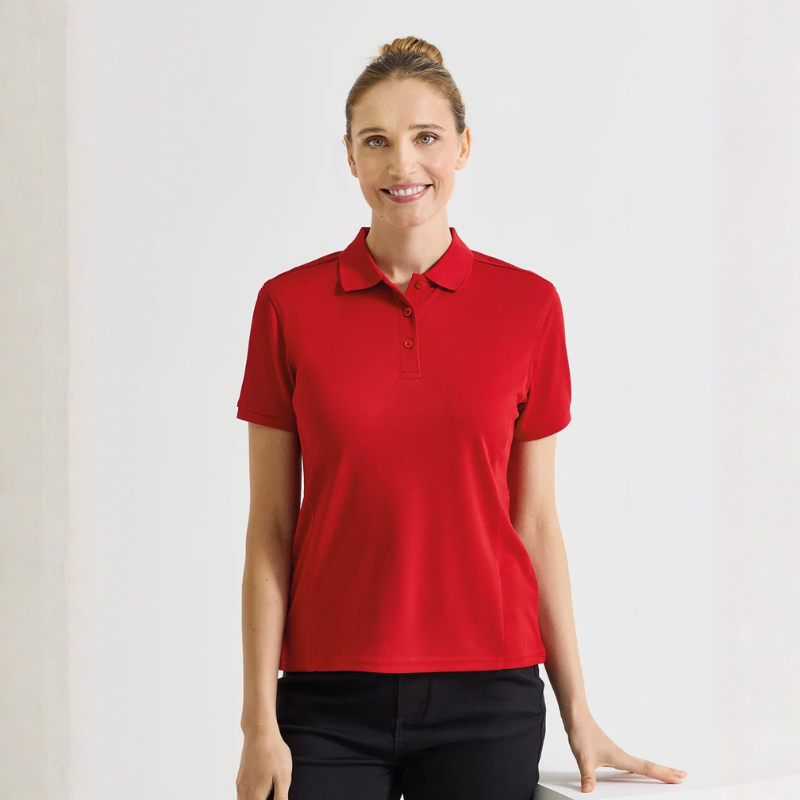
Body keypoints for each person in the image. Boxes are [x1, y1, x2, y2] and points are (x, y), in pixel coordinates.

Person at [234, 36, 688, 800]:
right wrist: (258, 725)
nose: (402, 164)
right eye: (376, 141)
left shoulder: (528, 306)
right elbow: (270, 529)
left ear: (463, 148)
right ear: (349, 157)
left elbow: (535, 521)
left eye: (426, 137)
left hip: (489, 698)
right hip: (326, 699)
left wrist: (578, 711)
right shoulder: (288, 306)